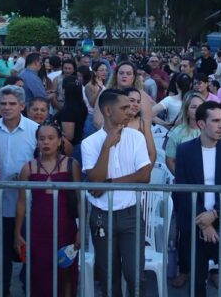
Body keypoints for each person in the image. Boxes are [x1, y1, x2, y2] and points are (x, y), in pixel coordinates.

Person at [82, 89, 151, 297]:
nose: (130, 111)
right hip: (102, 216)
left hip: (130, 215)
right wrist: (106, 147)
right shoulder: (90, 143)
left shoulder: (137, 137)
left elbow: (144, 175)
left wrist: (110, 182)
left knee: (135, 275)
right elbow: (95, 183)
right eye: (124, 107)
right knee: (108, 277)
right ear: (107, 111)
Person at [173, 101, 221, 297]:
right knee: (197, 281)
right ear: (201, 124)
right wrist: (204, 223)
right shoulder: (185, 151)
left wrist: (214, 214)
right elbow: (183, 189)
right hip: (194, 223)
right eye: (215, 121)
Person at [0, 85, 39, 297]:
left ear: (22, 106)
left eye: (12, 104)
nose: (6, 108)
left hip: (29, 204)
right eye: (3, 103)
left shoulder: (34, 130)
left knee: (28, 251)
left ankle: (28, 289)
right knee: (1, 253)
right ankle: (1, 290)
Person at [15, 123, 80, 297]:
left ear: (59, 141)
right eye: (42, 139)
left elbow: (80, 200)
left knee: (66, 274)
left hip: (65, 228)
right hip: (37, 229)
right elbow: (21, 202)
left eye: (51, 138)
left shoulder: (71, 165)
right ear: (36, 142)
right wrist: (17, 233)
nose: (46, 142)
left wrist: (81, 231)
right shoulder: (28, 167)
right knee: (38, 274)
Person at [55, 75, 88, 148]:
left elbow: (69, 136)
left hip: (71, 148)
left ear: (64, 90)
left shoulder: (69, 110)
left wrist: (54, 128)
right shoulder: (81, 104)